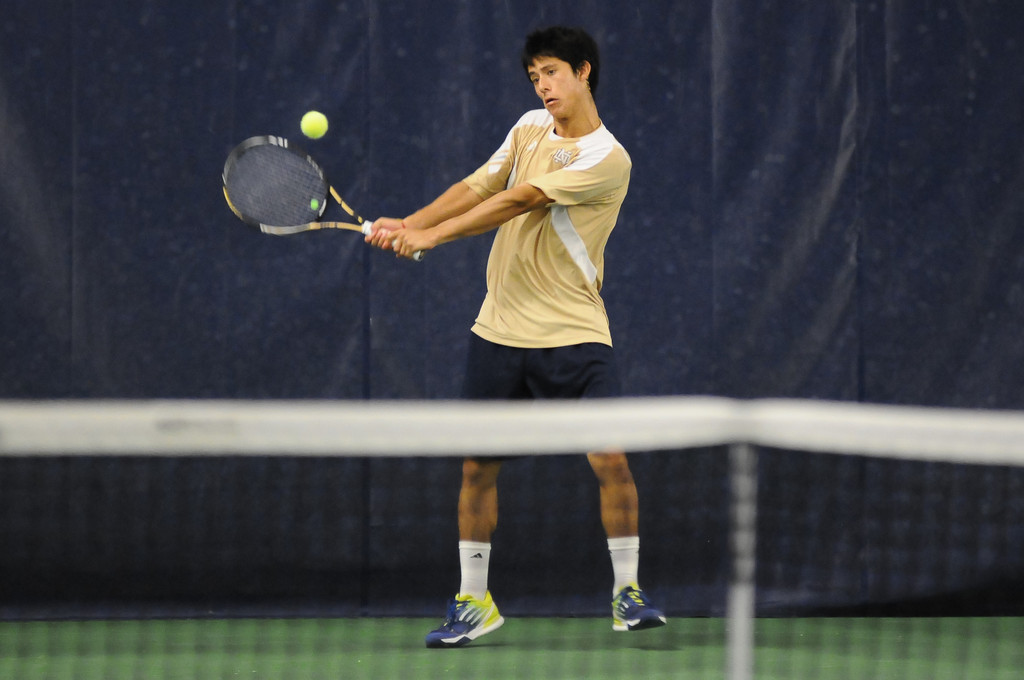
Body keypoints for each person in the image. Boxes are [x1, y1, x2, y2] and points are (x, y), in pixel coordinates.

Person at [367, 25, 665, 648]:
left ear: (584, 72)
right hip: (500, 327)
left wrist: (430, 239)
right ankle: (474, 600)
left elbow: (519, 199)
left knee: (610, 457)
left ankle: (627, 591)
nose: (542, 87)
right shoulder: (529, 127)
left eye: (552, 72)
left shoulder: (608, 158)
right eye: (534, 77)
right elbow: (480, 185)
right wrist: (410, 222)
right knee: (478, 467)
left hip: (574, 329)